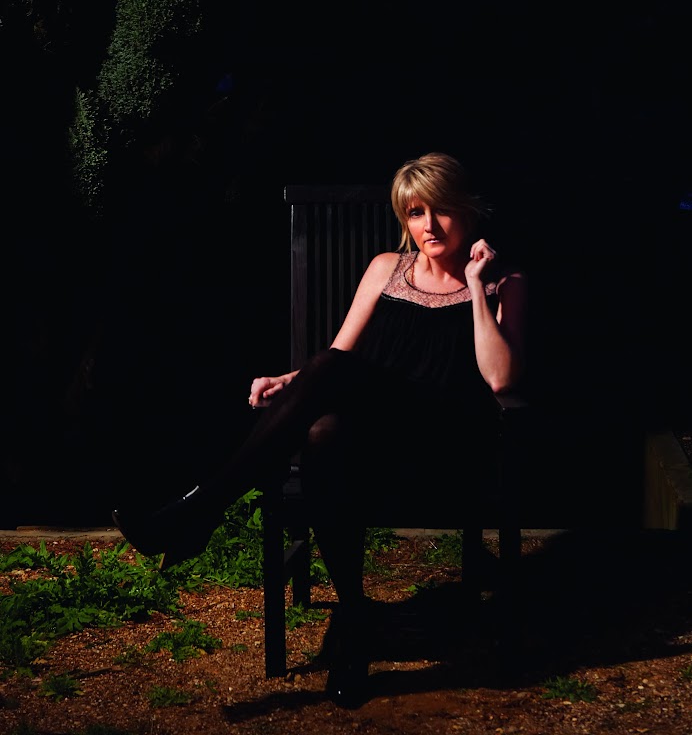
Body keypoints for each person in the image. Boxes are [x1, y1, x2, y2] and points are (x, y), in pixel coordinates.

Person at [111, 151, 527, 708]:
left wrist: (475, 287)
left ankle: (200, 510)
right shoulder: (386, 268)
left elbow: (501, 380)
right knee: (323, 433)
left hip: (447, 441)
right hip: (380, 436)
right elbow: (338, 357)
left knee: (330, 396)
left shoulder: (504, 281)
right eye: (415, 213)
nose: (429, 225)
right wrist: (289, 381)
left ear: (469, 211)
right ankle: (355, 619)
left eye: (443, 210)